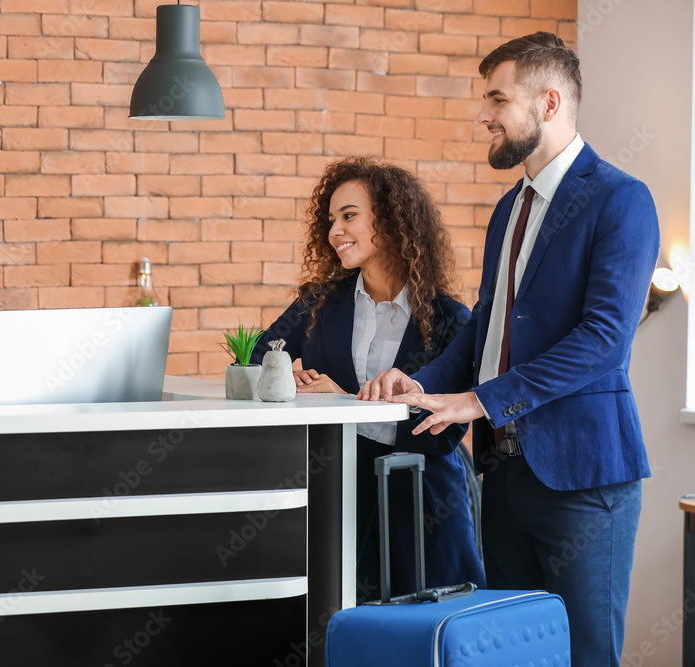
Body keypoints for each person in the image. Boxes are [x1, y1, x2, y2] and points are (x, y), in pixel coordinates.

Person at [362, 33, 658, 666]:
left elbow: (604, 341)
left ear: (549, 104)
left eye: (498, 98)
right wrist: (420, 382)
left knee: (583, 657)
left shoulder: (621, 200)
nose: (484, 114)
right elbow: (485, 331)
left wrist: (480, 400)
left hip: (584, 481)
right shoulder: (508, 211)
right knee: (512, 657)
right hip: (503, 475)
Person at [252, 157, 485, 602]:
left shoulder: (451, 319)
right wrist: (289, 380)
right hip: (342, 498)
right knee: (348, 633)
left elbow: (441, 432)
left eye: (349, 216)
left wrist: (343, 403)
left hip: (424, 506)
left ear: (393, 220)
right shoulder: (318, 304)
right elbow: (259, 356)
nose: (334, 230)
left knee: (433, 641)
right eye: (331, 220)